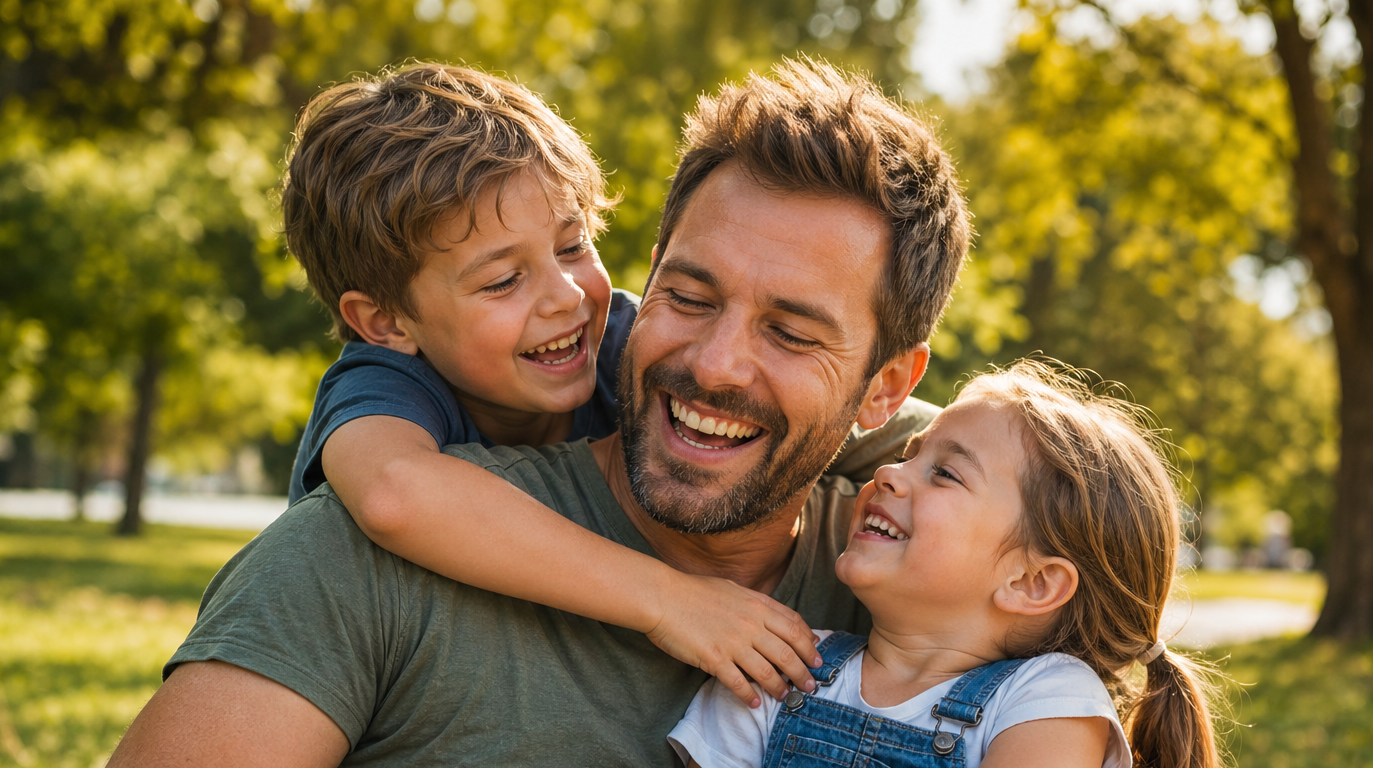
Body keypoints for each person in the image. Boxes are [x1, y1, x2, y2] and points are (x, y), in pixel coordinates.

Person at [0, 60, 1178, 768]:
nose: (712, 364)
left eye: (794, 333)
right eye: (689, 295)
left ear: (884, 387)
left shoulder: (913, 556)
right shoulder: (418, 514)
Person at [281, 62, 909, 702]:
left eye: (573, 246)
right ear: (385, 320)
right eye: (502, 280)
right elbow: (396, 495)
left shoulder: (625, 341)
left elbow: (882, 418)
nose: (567, 295)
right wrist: (670, 602)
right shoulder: (385, 383)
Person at [650, 362, 1226, 768]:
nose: (889, 475)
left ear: (1031, 583)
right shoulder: (782, 668)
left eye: (943, 474)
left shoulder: (1047, 696)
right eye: (909, 456)